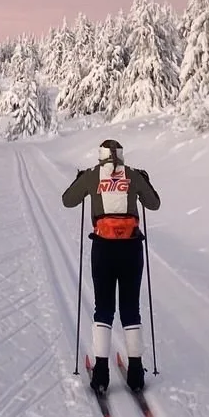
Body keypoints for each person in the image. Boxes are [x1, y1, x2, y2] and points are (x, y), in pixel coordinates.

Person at [62, 136, 160, 395]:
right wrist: (144, 180)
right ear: (121, 154)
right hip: (131, 248)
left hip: (103, 249)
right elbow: (154, 204)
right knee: (131, 308)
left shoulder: (93, 176)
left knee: (103, 308)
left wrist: (80, 179)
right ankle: (137, 374)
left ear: (100, 155)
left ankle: (101, 374)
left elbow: (68, 200)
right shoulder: (133, 175)